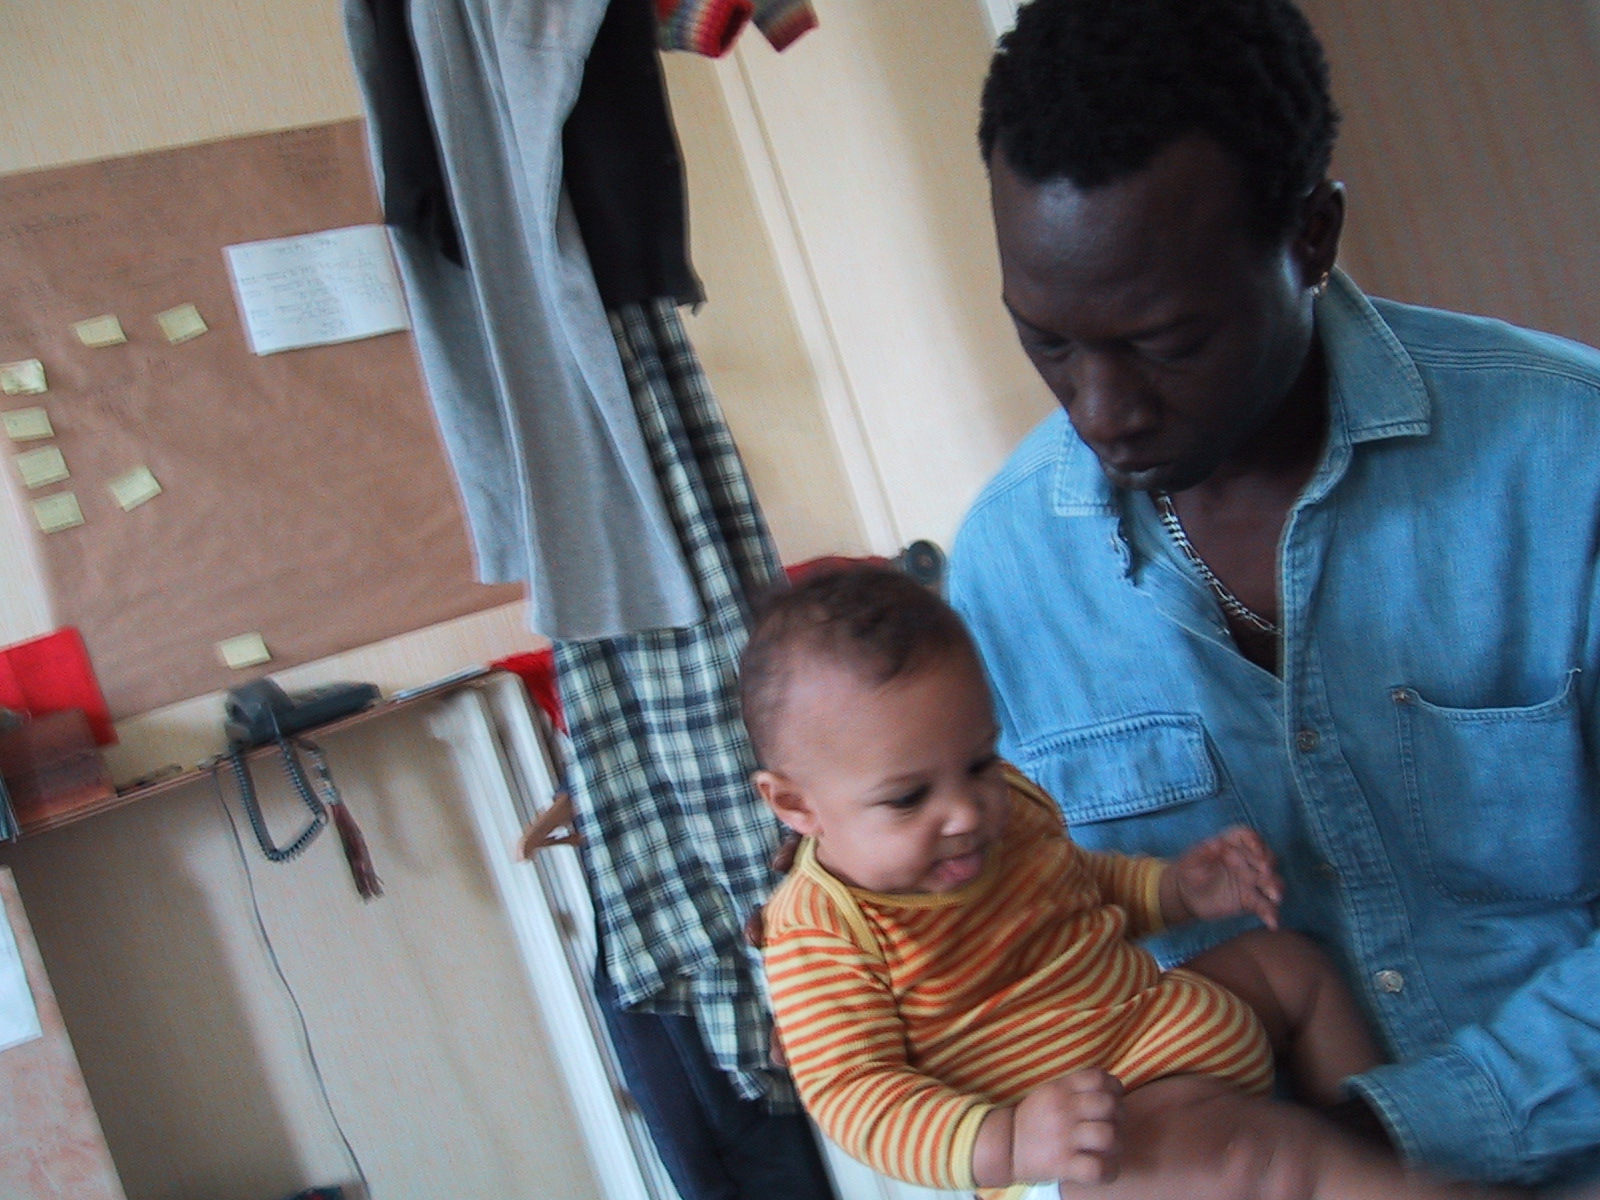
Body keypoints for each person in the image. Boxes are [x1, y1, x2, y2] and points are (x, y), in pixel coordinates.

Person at [946, 0, 1600, 1191]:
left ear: (1311, 236)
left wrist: (1368, 1143)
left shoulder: (1570, 462)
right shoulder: (1004, 572)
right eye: (1046, 342)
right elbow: (1037, 963)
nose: (1100, 412)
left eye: (1164, 342)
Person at [741, 564, 1527, 1200]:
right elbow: (856, 1095)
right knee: (1258, 1157)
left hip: (1151, 1021)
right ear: (796, 805)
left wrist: (1178, 893)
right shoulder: (821, 929)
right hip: (1087, 1137)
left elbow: (1075, 884)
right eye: (909, 798)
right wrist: (1010, 1141)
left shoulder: (1004, 807)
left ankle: (1371, 1144)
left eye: (978, 760)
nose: (967, 812)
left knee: (1296, 968)